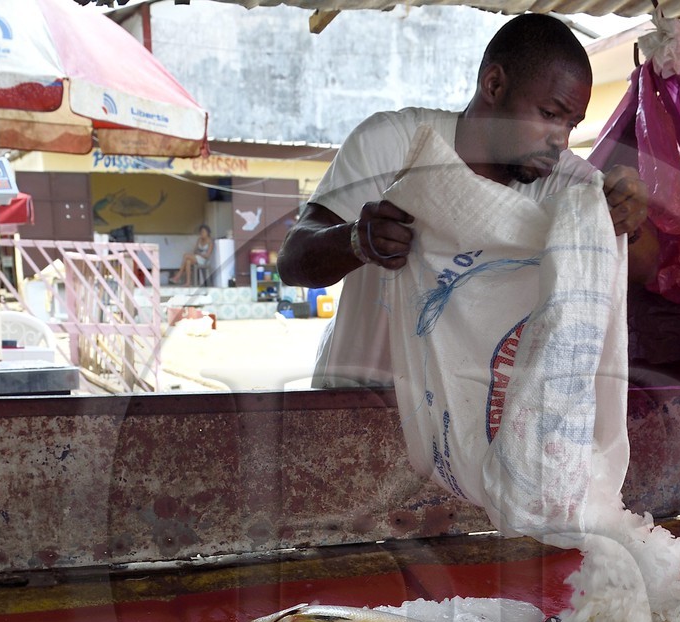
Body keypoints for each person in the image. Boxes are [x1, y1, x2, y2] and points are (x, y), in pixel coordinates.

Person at [279, 14, 654, 388]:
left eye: (571, 124)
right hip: (357, 405)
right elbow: (293, 262)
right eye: (549, 114)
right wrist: (358, 240)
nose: (561, 139)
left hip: (473, 418)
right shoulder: (391, 144)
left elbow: (644, 266)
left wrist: (627, 216)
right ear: (494, 84)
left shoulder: (563, 180)